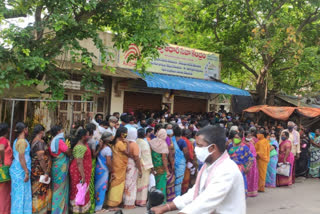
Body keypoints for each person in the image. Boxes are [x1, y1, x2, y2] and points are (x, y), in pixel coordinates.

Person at [151, 125, 246, 214]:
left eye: (200, 146)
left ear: (212, 148)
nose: (196, 149)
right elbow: (195, 192)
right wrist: (166, 207)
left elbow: (205, 201)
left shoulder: (227, 170)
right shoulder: (209, 165)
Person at [10, 122, 32, 214]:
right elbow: (21, 157)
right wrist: (26, 172)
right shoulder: (22, 141)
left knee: (17, 195)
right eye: (27, 129)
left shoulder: (16, 140)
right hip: (21, 170)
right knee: (21, 195)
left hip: (16, 169)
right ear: (24, 130)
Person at [30, 124, 52, 214]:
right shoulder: (40, 142)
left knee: (36, 191)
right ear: (41, 132)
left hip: (35, 169)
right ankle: (40, 211)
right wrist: (46, 172)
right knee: (40, 192)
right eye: (43, 131)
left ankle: (36, 210)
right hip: (40, 171)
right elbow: (41, 158)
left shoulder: (33, 141)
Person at [69, 129, 92, 213]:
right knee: (78, 190)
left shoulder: (84, 144)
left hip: (83, 170)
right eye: (88, 135)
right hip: (78, 171)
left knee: (82, 189)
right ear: (83, 137)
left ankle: (82, 209)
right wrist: (83, 175)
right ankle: (77, 210)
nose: (89, 136)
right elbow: (79, 162)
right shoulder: (80, 147)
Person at [49, 125, 71, 214]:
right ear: (58, 131)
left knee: (56, 188)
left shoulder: (52, 141)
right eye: (62, 129)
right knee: (61, 189)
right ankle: (59, 211)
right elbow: (68, 152)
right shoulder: (60, 141)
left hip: (56, 166)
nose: (63, 131)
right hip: (61, 168)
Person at [106, 127, 130, 208]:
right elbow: (128, 153)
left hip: (116, 164)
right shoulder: (120, 143)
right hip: (119, 165)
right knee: (117, 184)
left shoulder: (115, 140)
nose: (126, 135)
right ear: (121, 134)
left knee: (114, 183)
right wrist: (128, 144)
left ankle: (113, 202)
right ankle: (113, 204)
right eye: (125, 133)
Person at [123, 127, 142, 209]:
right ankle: (129, 203)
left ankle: (124, 202)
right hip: (133, 166)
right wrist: (140, 170)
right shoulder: (134, 145)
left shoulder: (125, 143)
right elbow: (137, 158)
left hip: (126, 165)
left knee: (126, 183)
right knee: (132, 184)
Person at [149, 129, 170, 202]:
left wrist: (151, 167)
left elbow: (150, 155)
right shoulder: (163, 144)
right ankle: (161, 201)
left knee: (155, 183)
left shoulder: (152, 142)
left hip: (154, 167)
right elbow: (164, 159)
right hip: (161, 168)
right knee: (161, 184)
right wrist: (167, 171)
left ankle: (154, 201)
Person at [94, 132, 113, 212]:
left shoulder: (99, 146)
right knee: (102, 188)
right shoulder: (107, 149)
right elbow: (108, 162)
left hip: (98, 169)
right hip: (104, 171)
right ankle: (98, 208)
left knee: (97, 187)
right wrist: (111, 170)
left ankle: (96, 205)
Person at [136, 128, 154, 206]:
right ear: (144, 134)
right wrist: (151, 167)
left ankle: (136, 200)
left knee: (138, 183)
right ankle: (142, 201)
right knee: (144, 184)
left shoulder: (136, 142)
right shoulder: (144, 143)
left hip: (137, 165)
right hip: (144, 166)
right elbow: (147, 156)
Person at [0, 123, 13, 214]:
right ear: (7, 130)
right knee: (4, 193)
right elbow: (1, 148)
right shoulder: (3, 139)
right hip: (4, 168)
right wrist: (2, 161)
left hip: (2, 168)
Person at [172, 127, 187, 197]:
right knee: (179, 180)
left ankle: (171, 195)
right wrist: (187, 160)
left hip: (172, 162)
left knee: (172, 179)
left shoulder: (171, 140)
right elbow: (185, 152)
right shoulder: (182, 142)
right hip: (180, 163)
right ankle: (177, 195)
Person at [243, 131, 259, 197]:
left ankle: (252, 191)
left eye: (250, 136)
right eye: (248, 136)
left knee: (252, 176)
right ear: (245, 136)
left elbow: (254, 152)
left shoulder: (251, 143)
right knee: (247, 177)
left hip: (253, 162)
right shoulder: (242, 144)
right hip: (246, 162)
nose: (249, 137)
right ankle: (246, 191)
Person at [165, 124, 176, 202]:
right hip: (168, 162)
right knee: (170, 180)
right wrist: (172, 164)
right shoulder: (167, 139)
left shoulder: (172, 139)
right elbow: (170, 153)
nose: (170, 130)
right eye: (168, 128)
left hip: (167, 161)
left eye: (171, 128)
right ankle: (169, 197)